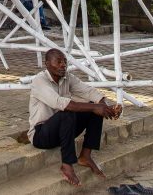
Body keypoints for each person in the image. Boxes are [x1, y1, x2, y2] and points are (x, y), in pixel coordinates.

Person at [29, 49, 122, 186]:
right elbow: (61, 103)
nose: (63, 65)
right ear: (47, 64)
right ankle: (67, 164)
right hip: (41, 135)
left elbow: (88, 91)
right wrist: (96, 107)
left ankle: (85, 156)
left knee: (93, 108)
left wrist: (105, 107)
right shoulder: (39, 81)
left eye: (65, 62)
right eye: (58, 61)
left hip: (62, 132)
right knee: (68, 111)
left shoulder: (67, 77)